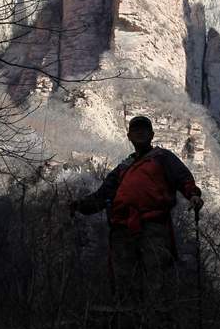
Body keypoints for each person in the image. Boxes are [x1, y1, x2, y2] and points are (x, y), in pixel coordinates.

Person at [69, 115, 203, 311]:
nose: (140, 133)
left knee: (156, 272)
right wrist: (80, 205)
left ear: (152, 135)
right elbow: (103, 194)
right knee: (123, 277)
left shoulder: (163, 158)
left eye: (144, 130)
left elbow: (183, 178)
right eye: (136, 130)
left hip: (154, 226)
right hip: (122, 229)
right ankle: (128, 325)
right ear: (129, 136)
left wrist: (193, 195)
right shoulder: (123, 167)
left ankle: (157, 323)